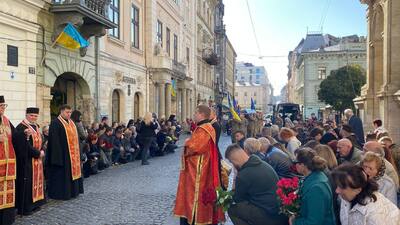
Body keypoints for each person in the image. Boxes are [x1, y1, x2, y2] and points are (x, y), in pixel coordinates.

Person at [174, 105, 224, 225]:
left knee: (195, 198)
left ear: (201, 114)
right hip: (202, 167)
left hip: (198, 171)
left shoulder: (204, 129)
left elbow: (196, 147)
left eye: (195, 113)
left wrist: (187, 143)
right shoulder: (204, 127)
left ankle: (194, 219)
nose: (194, 115)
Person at [225, 144, 288, 225]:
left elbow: (238, 199)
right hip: (279, 212)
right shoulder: (263, 163)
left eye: (231, 162)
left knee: (232, 209)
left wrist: (235, 177)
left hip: (269, 216)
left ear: (234, 160)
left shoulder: (243, 174)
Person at [332, 164, 399, 225]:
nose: (337, 191)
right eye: (337, 186)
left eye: (341, 187)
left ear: (358, 190)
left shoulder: (375, 214)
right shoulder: (347, 198)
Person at [46, 104, 83, 200]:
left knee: (71, 174)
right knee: (63, 175)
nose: (69, 114)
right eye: (67, 112)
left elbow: (77, 138)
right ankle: (63, 194)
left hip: (73, 154)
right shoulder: (55, 123)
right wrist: (57, 158)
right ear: (61, 111)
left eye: (70, 112)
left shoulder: (72, 122)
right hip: (63, 155)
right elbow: (54, 141)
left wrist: (79, 152)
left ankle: (73, 192)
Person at [290, 148, 336, 225]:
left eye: (295, 162)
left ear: (303, 165)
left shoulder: (317, 188)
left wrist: (294, 222)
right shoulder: (314, 176)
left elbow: (314, 222)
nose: (294, 165)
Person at [14, 107, 46, 216]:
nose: (34, 117)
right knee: (27, 184)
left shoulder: (36, 126)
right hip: (26, 161)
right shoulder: (21, 127)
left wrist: (42, 150)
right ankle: (26, 208)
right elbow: (23, 145)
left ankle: (36, 204)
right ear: (26, 115)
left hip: (37, 160)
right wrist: (38, 153)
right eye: (31, 115)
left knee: (36, 182)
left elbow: (41, 140)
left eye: (36, 116)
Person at [0, 96, 16, 225]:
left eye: (4, 106)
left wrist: (25, 134)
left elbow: (15, 136)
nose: (2, 109)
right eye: (0, 106)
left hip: (8, 164)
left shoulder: (6, 120)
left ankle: (6, 219)